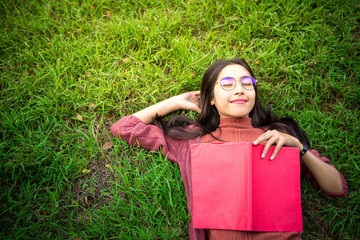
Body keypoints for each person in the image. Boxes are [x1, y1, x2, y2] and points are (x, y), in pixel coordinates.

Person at [111, 58, 348, 240]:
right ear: (211, 97)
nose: (239, 89)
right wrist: (175, 101)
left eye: (247, 83)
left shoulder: (280, 137)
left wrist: (299, 148)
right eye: (227, 84)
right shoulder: (193, 141)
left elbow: (338, 189)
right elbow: (124, 127)